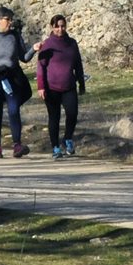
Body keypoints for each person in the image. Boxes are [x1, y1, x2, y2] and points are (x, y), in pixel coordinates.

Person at [0, 5, 34, 158]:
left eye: (11, 19)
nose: (10, 22)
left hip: (12, 77)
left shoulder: (14, 36)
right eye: (7, 19)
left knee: (14, 110)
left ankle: (17, 145)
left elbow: (24, 57)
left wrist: (34, 49)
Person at [34, 13, 88, 158]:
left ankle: (67, 138)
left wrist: (81, 83)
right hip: (51, 88)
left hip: (69, 86)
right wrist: (41, 87)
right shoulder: (47, 45)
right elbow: (41, 67)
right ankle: (56, 147)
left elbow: (78, 64)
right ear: (52, 27)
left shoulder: (72, 43)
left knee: (72, 114)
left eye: (62, 26)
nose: (60, 29)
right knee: (54, 117)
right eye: (57, 26)